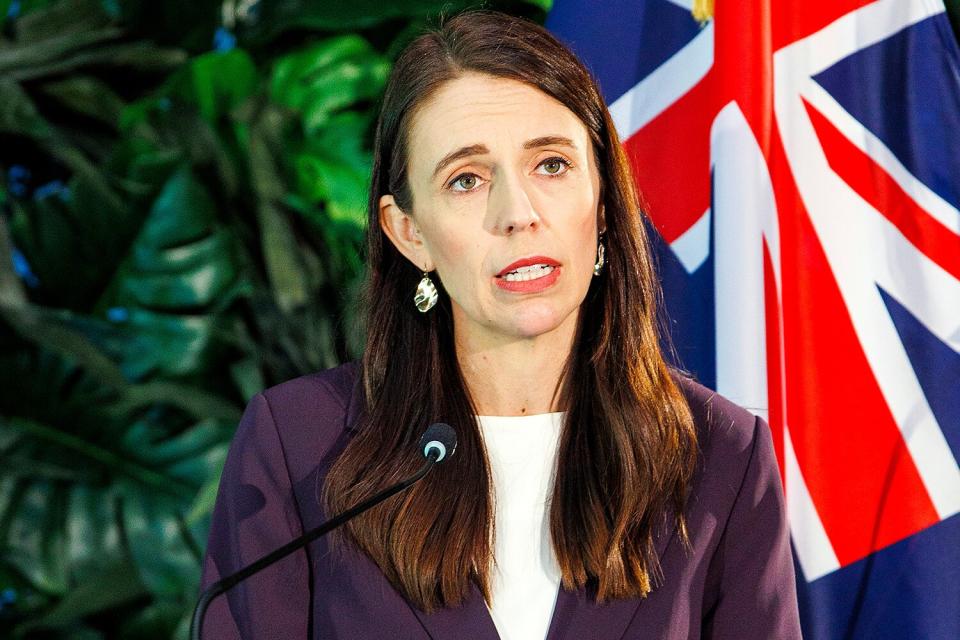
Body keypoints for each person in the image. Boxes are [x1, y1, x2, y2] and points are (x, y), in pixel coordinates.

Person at [199, 10, 802, 640]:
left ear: (602, 201)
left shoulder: (721, 457)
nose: (518, 213)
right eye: (467, 180)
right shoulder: (297, 446)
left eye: (551, 165)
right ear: (410, 234)